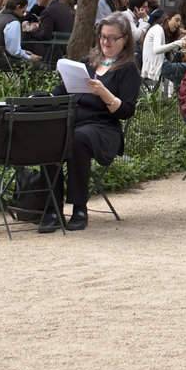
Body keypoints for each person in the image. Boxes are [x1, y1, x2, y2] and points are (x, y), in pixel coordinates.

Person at [40, 15, 140, 233]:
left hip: (103, 127)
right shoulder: (88, 61)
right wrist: (44, 96)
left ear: (125, 40)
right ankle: (52, 209)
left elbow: (126, 111)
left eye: (113, 38)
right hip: (74, 120)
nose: (107, 43)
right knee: (50, 137)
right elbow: (62, 90)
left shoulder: (128, 69)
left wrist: (103, 92)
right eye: (103, 37)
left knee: (79, 140)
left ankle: (79, 208)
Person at [0, 0, 39, 70]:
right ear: (18, 7)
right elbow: (14, 51)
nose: (24, 14)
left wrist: (24, 52)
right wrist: (30, 57)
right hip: (3, 61)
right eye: (23, 11)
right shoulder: (13, 22)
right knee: (40, 66)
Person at [142, 9, 186, 85]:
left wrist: (183, 40)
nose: (179, 24)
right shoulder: (157, 29)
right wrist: (177, 43)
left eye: (180, 21)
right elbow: (156, 50)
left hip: (161, 65)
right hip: (157, 67)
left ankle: (178, 92)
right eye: (176, 20)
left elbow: (171, 50)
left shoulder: (163, 31)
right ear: (168, 19)